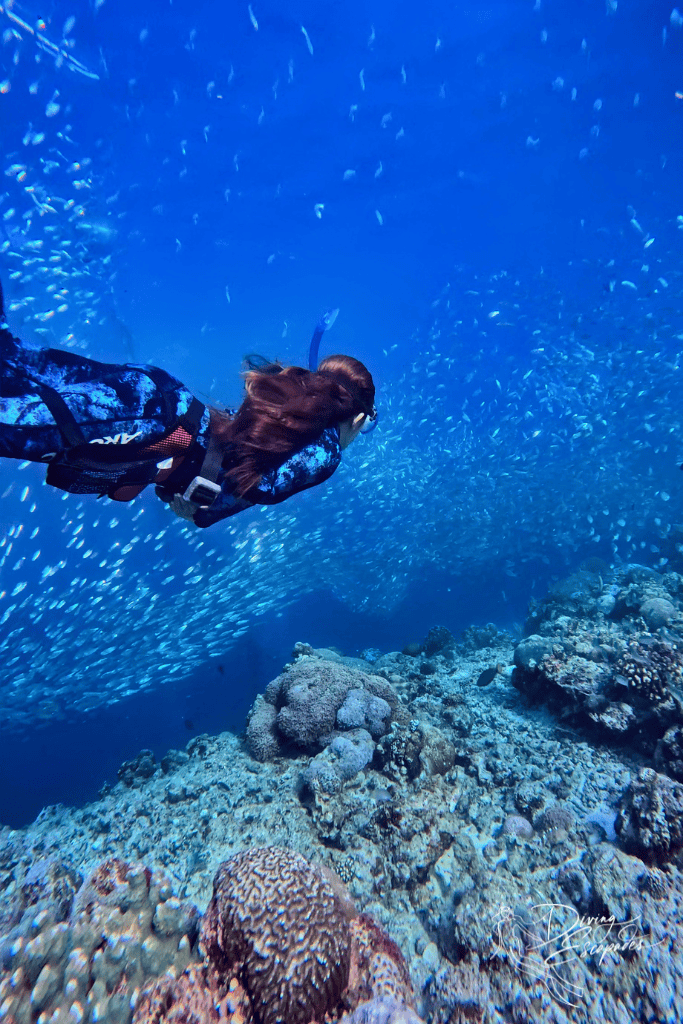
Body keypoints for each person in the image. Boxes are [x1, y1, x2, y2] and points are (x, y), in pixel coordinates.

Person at [0, 280, 376, 528]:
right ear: (357, 418)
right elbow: (251, 489)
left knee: (12, 359)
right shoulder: (325, 452)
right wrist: (202, 510)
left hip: (160, 396)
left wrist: (195, 500)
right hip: (152, 426)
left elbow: (229, 464)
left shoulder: (285, 423)